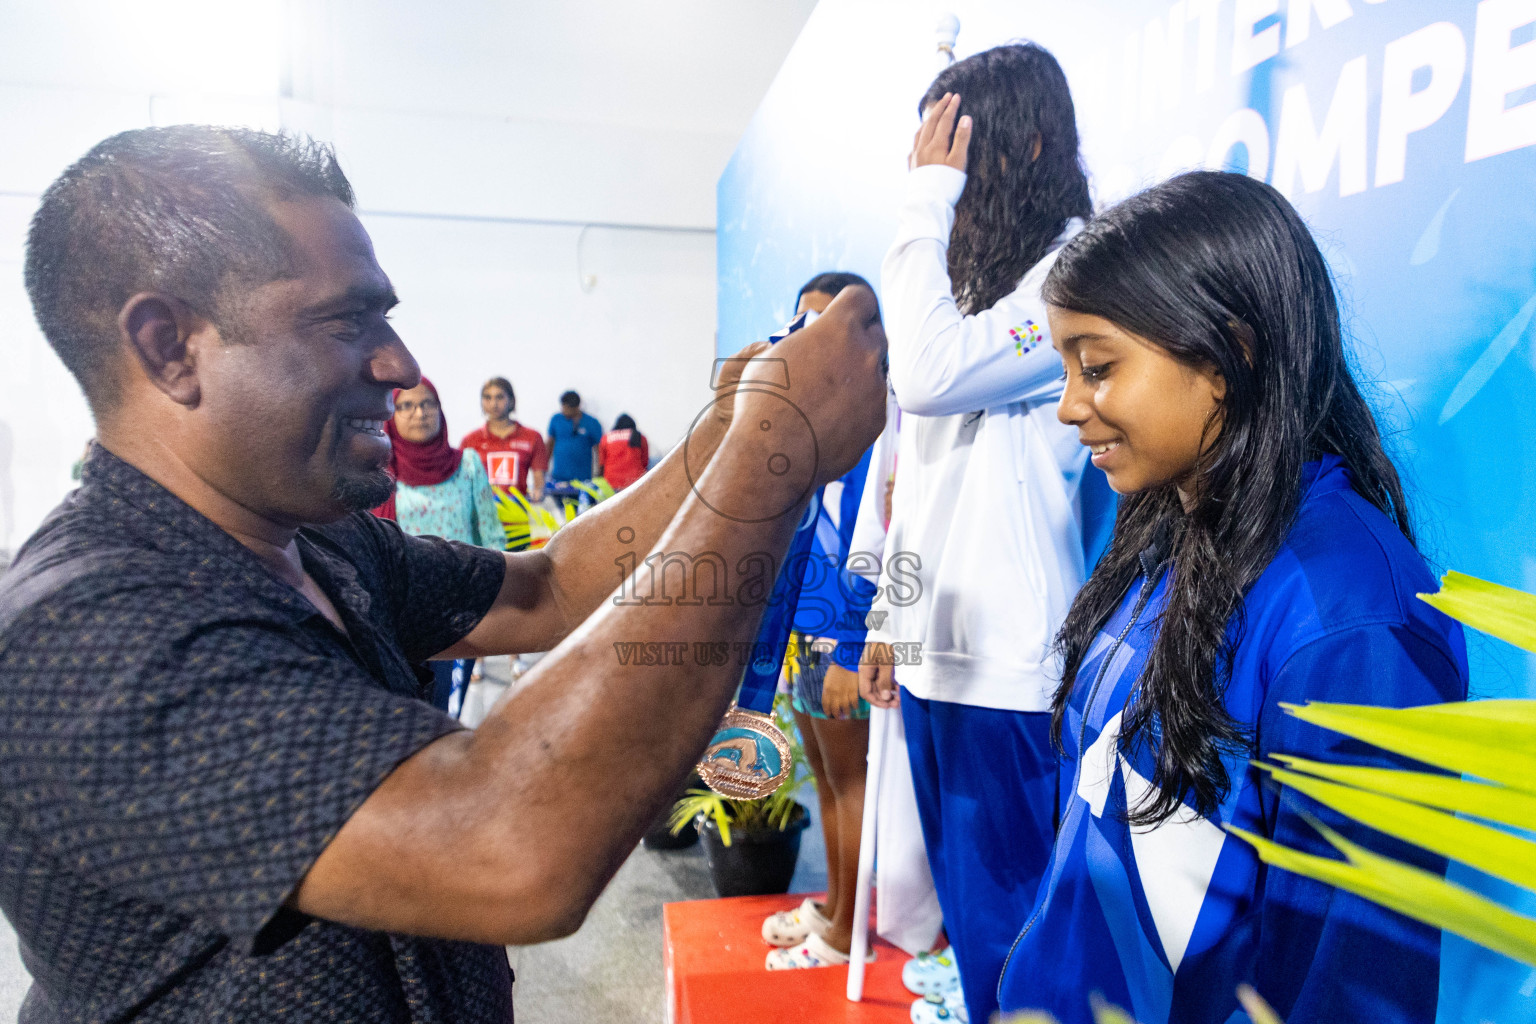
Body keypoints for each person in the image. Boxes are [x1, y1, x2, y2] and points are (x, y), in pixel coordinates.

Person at [0, 125, 887, 1022]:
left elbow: (546, 589)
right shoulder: (88, 637)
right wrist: (772, 457)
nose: (402, 366)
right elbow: (512, 848)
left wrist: (725, 435)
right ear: (168, 347)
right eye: (347, 321)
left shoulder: (321, 542)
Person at [994, 171, 1469, 1024]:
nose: (1069, 406)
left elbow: (1352, 983)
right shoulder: (1167, 529)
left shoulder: (1351, 622)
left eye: (1098, 367)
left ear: (1230, 358)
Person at [857, 43, 1101, 1024]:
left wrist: (921, 205)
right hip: (935, 659)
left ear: (1029, 144)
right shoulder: (973, 291)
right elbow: (921, 479)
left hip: (1009, 669)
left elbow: (921, 377)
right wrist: (892, 618)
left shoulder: (1079, 277)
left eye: (958, 151)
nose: (941, 174)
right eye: (929, 153)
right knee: (975, 921)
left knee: (1018, 933)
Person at [758, 273, 880, 971]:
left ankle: (844, 936)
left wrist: (852, 645)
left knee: (850, 780)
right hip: (805, 625)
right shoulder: (809, 422)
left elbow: (880, 543)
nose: (812, 339)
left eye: (827, 323)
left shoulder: (876, 422)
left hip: (842, 633)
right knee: (828, 783)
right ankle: (834, 908)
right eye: (801, 324)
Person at [375, 377, 502, 713]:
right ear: (391, 414)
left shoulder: (468, 465)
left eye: (428, 403)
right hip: (399, 615)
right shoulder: (379, 473)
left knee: (447, 712)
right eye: (406, 405)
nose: (419, 413)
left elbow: (491, 536)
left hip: (461, 613)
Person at [460, 375, 548, 515]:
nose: (494, 403)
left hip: (518, 519)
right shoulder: (470, 440)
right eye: (488, 398)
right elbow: (462, 483)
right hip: (482, 517)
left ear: (511, 400)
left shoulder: (532, 437)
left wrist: (538, 492)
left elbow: (539, 481)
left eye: (499, 397)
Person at [547, 389, 602, 485]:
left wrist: (600, 474)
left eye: (567, 408)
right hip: (559, 478)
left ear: (576, 407)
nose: (563, 410)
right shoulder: (556, 420)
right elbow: (549, 445)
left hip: (583, 480)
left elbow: (599, 450)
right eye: (563, 406)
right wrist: (543, 469)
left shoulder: (591, 422)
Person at [597, 413, 649, 491]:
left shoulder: (606, 438)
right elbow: (645, 462)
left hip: (611, 482)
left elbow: (601, 463)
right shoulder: (640, 437)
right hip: (635, 482)